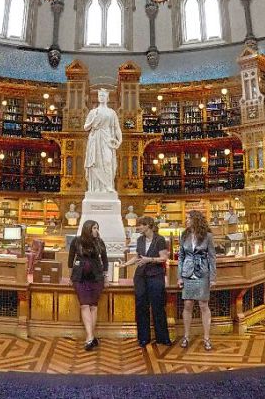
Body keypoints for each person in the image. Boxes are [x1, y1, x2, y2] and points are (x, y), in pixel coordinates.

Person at [122, 216, 171, 347]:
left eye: (141, 225)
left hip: (155, 276)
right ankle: (143, 338)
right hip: (141, 276)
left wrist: (149, 260)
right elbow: (138, 257)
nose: (138, 227)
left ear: (148, 225)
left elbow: (163, 258)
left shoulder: (159, 239)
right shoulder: (139, 240)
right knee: (141, 307)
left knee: (158, 306)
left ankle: (162, 337)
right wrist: (125, 265)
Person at [178, 210, 216, 351]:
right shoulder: (184, 235)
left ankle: (206, 338)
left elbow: (212, 258)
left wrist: (213, 278)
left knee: (203, 305)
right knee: (187, 305)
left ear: (196, 220)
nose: (186, 220)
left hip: (202, 273)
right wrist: (179, 277)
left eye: (188, 218)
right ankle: (186, 336)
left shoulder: (207, 236)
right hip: (188, 273)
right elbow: (181, 257)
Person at [68, 219, 108, 351]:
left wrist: (106, 277)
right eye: (95, 228)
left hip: (96, 278)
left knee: (93, 307)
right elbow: (70, 259)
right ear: (88, 229)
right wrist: (70, 277)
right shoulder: (76, 241)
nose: (97, 230)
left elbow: (105, 260)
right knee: (84, 305)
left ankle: (90, 338)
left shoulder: (99, 242)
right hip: (80, 278)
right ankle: (90, 337)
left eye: (98, 228)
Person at [83, 88, 122, 193]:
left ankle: (108, 186)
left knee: (108, 161)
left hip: (107, 139)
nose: (101, 97)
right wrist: (92, 121)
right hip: (95, 138)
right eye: (100, 95)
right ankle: (96, 189)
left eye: (103, 95)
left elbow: (117, 128)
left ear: (107, 98)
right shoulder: (93, 112)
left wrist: (120, 141)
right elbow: (85, 127)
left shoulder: (112, 112)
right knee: (95, 163)